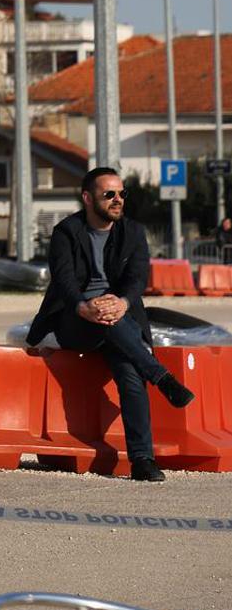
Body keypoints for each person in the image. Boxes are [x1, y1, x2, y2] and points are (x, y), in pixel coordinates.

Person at [25, 167, 196, 482]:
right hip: (74, 320)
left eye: (121, 194)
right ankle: (162, 377)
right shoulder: (67, 231)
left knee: (131, 374)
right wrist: (83, 306)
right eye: (109, 194)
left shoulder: (132, 231)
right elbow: (62, 280)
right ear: (88, 198)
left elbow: (137, 277)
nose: (118, 200)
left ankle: (142, 460)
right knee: (109, 323)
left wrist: (122, 303)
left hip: (118, 318)